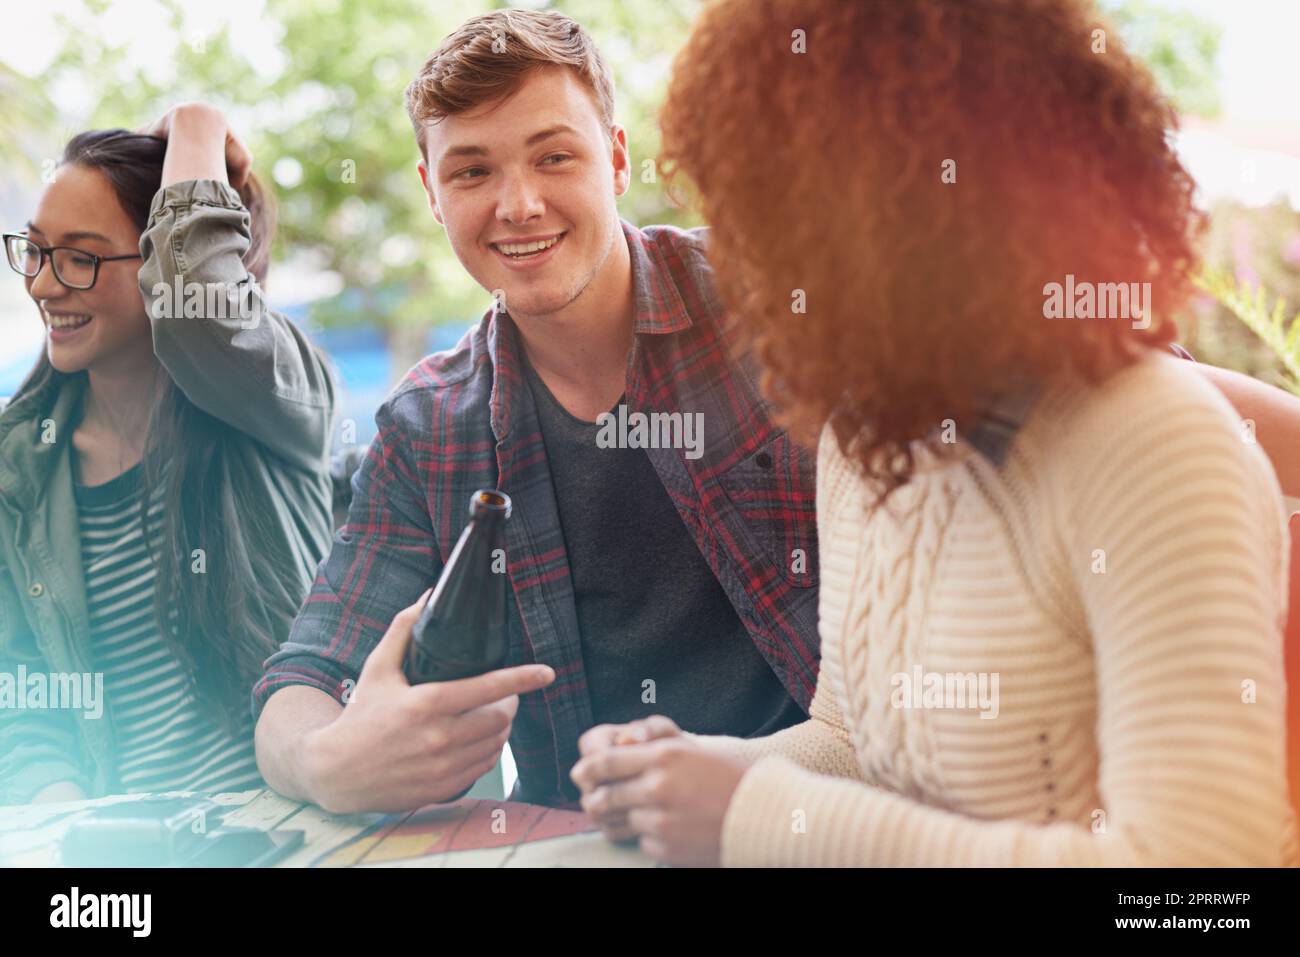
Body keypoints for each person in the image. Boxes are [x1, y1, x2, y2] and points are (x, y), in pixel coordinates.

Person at [570, 0, 1298, 867]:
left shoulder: (1153, 446)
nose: (739, 264)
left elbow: (1202, 879)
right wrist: (687, 777)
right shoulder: (866, 434)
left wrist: (755, 817)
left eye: (767, 218)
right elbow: (851, 742)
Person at [251, 7, 824, 814]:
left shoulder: (771, 309)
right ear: (432, 193)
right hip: (581, 842)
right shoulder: (431, 427)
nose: (519, 205)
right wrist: (323, 760)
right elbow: (303, 676)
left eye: (554, 156)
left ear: (617, 160)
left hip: (818, 815)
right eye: (472, 172)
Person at [0, 104, 335, 805]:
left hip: (301, 829)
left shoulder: (273, 396)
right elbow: (25, 706)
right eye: (34, 250)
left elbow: (196, 306)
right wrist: (68, 825)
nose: (41, 283)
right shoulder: (18, 474)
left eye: (81, 258)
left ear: (161, 264)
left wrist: (197, 127)